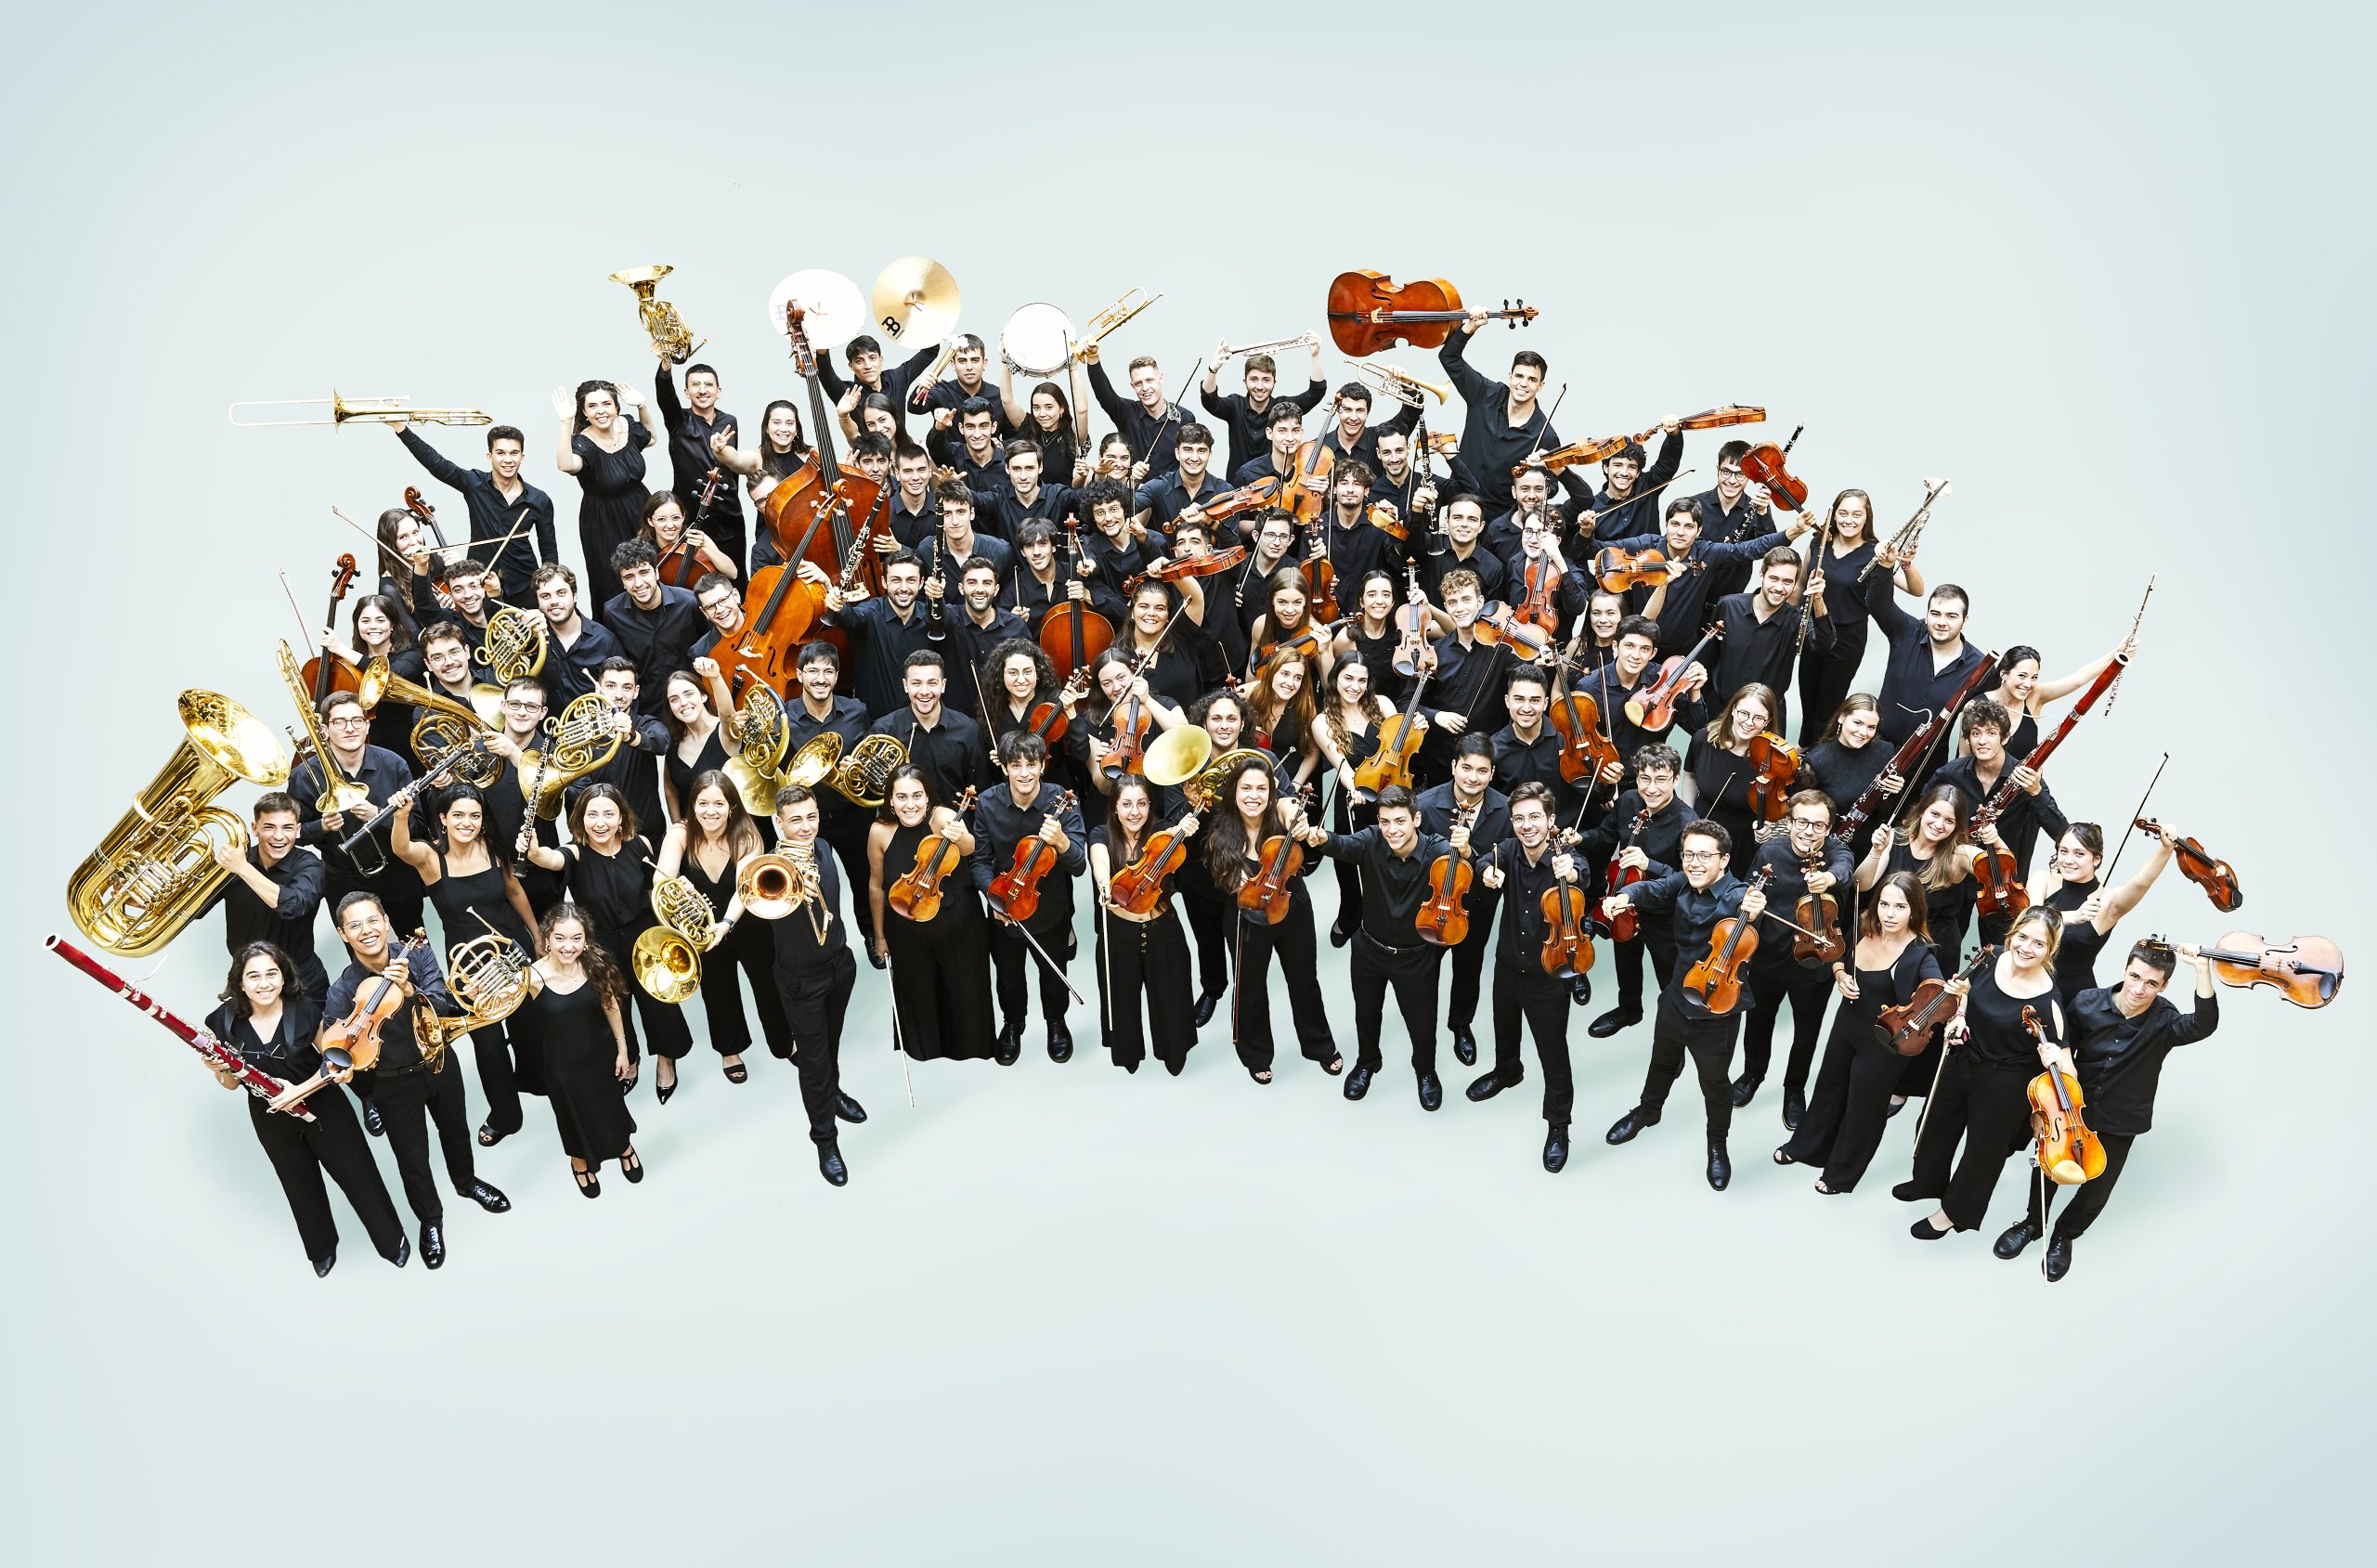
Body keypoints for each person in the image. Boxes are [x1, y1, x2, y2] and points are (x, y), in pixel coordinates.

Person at [1994, 940, 2221, 1281]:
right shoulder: (2087, 1003)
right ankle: (2032, 1224)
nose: (2139, 989)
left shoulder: (2165, 1019)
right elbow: (2059, 1041)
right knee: (2048, 1168)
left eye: (2151, 984)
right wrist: (2050, 1073)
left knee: (2096, 1191)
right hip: (2073, 1108)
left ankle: (2064, 1236)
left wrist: (2203, 970)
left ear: (2164, 986)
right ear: (2125, 970)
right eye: (2135, 977)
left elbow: (2204, 1025)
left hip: (2122, 1118)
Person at [323, 893, 510, 1271]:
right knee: (412, 1161)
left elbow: (444, 1003)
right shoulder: (343, 989)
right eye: (355, 925)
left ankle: (466, 1181)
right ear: (343, 934)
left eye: (372, 920)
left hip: (438, 1062)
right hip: (392, 1083)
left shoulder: (417, 954)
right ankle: (431, 1220)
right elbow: (334, 1042)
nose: (367, 930)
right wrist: (339, 1065)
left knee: (456, 1131)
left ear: (386, 919)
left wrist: (410, 991)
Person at [202, 942, 407, 1275]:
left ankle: (391, 1239)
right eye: (253, 976)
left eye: (272, 973)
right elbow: (231, 1083)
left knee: (360, 1176)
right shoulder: (221, 1022)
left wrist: (299, 1091)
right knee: (298, 1184)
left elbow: (337, 1065)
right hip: (270, 1118)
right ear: (240, 983)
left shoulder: (309, 1011)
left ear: (284, 977)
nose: (264, 983)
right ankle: (321, 1249)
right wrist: (217, 1069)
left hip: (326, 1109)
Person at [1598, 819, 1770, 1191]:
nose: (1694, 862)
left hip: (1717, 1012)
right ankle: (1648, 1111)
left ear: (1723, 860)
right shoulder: (1683, 882)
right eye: (1688, 854)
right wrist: (1624, 898)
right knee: (1661, 1061)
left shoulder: (1740, 896)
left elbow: (1760, 929)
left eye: (1704, 856)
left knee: (1714, 1083)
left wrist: (1755, 910)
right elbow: (1652, 888)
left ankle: (1717, 1144)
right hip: (1676, 999)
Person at [388, 781, 543, 1148]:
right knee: (489, 1048)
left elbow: (514, 891)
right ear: (443, 818)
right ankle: (507, 1115)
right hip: (469, 968)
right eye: (458, 815)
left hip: (512, 954)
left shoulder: (492, 848)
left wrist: (536, 935)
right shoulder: (430, 857)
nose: (467, 822)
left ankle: (537, 1082)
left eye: (474, 816)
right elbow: (401, 849)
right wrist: (401, 815)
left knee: (529, 1028)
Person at [1901, 905, 2069, 1242]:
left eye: (2038, 944)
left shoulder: (2049, 1000)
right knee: (1933, 1123)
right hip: (1963, 1057)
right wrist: (1958, 1015)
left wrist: (2057, 1061)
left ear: (2050, 950)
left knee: (1983, 1152)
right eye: (2022, 937)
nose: (2026, 948)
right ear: (2012, 934)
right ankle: (1928, 1182)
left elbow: (2063, 1059)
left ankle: (1952, 1213)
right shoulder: (1990, 958)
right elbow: (1963, 998)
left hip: (2005, 1082)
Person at [1773, 871, 1947, 1193]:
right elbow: (1840, 954)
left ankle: (1840, 1174)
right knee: (1827, 1089)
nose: (1889, 914)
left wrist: (1951, 993)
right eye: (1884, 904)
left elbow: (1934, 988)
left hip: (1883, 1043)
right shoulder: (1866, 924)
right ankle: (1806, 1147)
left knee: (1863, 1108)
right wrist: (1839, 974)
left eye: (1900, 907)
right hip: (1846, 1026)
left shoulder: (1921, 953)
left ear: (1914, 911)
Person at [518, 782, 695, 1095]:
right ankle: (631, 1057)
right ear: (580, 819)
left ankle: (667, 1059)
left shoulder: (640, 844)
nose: (600, 822)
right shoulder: (574, 853)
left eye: (608, 814)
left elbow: (655, 893)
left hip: (647, 937)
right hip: (602, 944)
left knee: (659, 1002)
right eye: (592, 814)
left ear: (622, 817)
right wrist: (533, 851)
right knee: (615, 1005)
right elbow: (549, 859)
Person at [1297, 785, 1459, 1108]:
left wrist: (1466, 851)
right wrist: (1319, 838)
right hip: (1369, 950)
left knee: (1422, 1023)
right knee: (1366, 1014)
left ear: (1417, 819)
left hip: (1416, 957)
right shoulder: (1372, 839)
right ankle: (1368, 1062)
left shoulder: (1438, 851)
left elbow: (1470, 864)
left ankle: (1425, 1071)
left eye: (1400, 821)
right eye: (1385, 822)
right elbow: (1342, 844)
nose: (1392, 830)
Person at [1468, 783, 1586, 1172]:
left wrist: (1572, 872)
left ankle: (1559, 1125)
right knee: (1504, 1028)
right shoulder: (1506, 851)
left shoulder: (1566, 860)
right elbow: (1481, 860)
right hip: (1506, 965)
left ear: (1551, 820)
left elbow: (1582, 873)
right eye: (1519, 818)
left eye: (1535, 816)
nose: (1526, 825)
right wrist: (1485, 871)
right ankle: (1508, 1071)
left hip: (1548, 974)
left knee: (1553, 1053)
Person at [1206, 757, 1340, 1083]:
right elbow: (1218, 873)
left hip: (1292, 908)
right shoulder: (1222, 833)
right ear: (1234, 791)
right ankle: (1255, 1053)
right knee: (1250, 987)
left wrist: (1299, 817)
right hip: (1247, 916)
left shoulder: (1281, 815)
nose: (1254, 795)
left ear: (1271, 792)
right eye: (1246, 788)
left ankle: (1319, 1046)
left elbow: (1291, 808)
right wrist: (1230, 874)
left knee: (1304, 979)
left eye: (1261, 788)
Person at [656, 771, 791, 1079]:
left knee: (768, 984)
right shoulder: (679, 833)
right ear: (693, 805)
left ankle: (783, 1042)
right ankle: (730, 1050)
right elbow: (660, 879)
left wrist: (727, 923)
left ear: (732, 807)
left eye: (718, 803)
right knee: (717, 991)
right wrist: (675, 886)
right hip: (702, 929)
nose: (710, 811)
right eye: (702, 803)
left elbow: (745, 887)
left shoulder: (747, 835)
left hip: (746, 921)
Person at [764, 787, 867, 1185]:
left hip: (839, 966)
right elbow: (760, 904)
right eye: (795, 820)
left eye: (811, 817)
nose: (806, 827)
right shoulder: (768, 867)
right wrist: (792, 890)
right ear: (778, 822)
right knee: (812, 1061)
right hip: (801, 981)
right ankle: (825, 1139)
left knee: (831, 1045)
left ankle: (834, 1092)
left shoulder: (823, 847)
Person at [1734, 788, 1854, 1127]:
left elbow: (1845, 870)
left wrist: (1827, 878)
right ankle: (1752, 1075)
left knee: (1807, 1031)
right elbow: (1749, 888)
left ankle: (1794, 1089)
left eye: (1818, 825)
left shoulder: (1836, 852)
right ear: (1790, 822)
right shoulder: (1770, 852)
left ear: (1829, 829)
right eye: (1801, 822)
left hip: (1815, 961)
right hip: (1769, 958)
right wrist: (1750, 902)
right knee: (1759, 1022)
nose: (1808, 832)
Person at [865, 764, 996, 1063]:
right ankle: (927, 1049)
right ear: (890, 801)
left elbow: (968, 848)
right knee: (917, 989)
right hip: (907, 927)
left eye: (916, 796)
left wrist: (959, 833)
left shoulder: (942, 818)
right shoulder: (879, 832)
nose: (910, 804)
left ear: (928, 798)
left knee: (966, 986)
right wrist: (880, 937)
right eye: (901, 797)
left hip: (957, 921)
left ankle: (972, 1047)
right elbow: (876, 886)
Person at [972, 732, 1086, 1063]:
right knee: (1008, 976)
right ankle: (1013, 1023)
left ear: (1042, 765)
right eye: (1016, 765)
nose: (1024, 773)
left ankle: (1056, 1022)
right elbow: (979, 861)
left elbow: (1078, 865)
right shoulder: (988, 803)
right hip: (1003, 910)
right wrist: (996, 897)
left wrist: (1062, 841)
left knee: (1054, 975)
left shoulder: (1061, 801)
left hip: (1049, 909)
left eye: (1031, 764)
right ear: (1005, 768)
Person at [521, 902, 641, 1198]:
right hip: (563, 1068)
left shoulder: (595, 964)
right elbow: (496, 1006)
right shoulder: (531, 977)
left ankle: (624, 1148)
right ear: (547, 938)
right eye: (560, 938)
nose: (568, 946)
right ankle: (580, 1162)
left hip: (601, 1058)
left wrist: (623, 1051)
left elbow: (611, 1006)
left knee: (612, 1108)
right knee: (571, 1117)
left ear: (586, 939)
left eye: (576, 938)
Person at [290, 687, 422, 941]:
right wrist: (322, 826)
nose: (349, 728)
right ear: (325, 730)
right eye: (339, 722)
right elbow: (293, 834)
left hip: (397, 874)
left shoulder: (393, 764)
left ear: (367, 726)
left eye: (356, 720)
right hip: (343, 879)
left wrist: (380, 814)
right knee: (362, 956)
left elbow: (417, 826)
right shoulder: (304, 776)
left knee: (415, 945)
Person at [1089, 776, 1201, 1075]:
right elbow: (1099, 861)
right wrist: (1104, 885)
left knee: (1171, 994)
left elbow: (1174, 833)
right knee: (1121, 997)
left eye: (1141, 803)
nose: (1134, 812)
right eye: (1126, 804)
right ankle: (1129, 1054)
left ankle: (1174, 1052)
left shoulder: (1162, 832)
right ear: (1115, 808)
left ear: (1150, 806)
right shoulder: (1101, 835)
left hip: (1162, 927)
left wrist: (1184, 828)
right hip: (1119, 932)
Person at [1582, 742, 1695, 1038]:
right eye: (1645, 779)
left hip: (1664, 913)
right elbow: (1604, 835)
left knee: (1669, 978)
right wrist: (1578, 839)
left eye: (1661, 780)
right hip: (1625, 903)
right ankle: (1629, 1009)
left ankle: (1675, 1033)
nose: (1652, 789)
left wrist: (1650, 864)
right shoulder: (1630, 801)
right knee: (1626, 961)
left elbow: (1689, 878)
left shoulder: (1688, 823)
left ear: (1675, 779)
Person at [1416, 734, 1511, 1069]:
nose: (1473, 777)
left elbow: (1507, 859)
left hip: (1476, 907)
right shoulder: (1425, 806)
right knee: (1425, 972)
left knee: (1468, 970)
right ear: (1454, 766)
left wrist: (1479, 860)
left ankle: (1460, 1024)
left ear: (1492, 772)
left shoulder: (1505, 810)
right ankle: (1423, 1034)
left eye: (1482, 771)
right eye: (1466, 768)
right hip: (1431, 906)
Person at [392, 420, 555, 602]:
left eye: (514, 453)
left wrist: (549, 590)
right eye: (500, 453)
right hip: (479, 582)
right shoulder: (474, 484)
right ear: (489, 456)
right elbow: (437, 464)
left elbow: (549, 554)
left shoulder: (539, 500)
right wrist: (401, 429)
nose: (508, 459)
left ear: (522, 457)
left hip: (524, 584)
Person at [2028, 822, 2176, 1005]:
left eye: (2079, 854)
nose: (2068, 860)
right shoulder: (2042, 879)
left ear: (2096, 859)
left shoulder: (2107, 902)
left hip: (2074, 1000)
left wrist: (2166, 849)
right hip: (2027, 984)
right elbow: (2031, 921)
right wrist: (2072, 917)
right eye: (2063, 851)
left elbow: (2140, 882)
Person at [203, 792, 329, 1008]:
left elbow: (293, 906)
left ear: (298, 830)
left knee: (321, 1041)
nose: (278, 836)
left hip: (302, 980)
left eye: (287, 828)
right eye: (269, 827)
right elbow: (196, 908)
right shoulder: (235, 863)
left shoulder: (310, 866)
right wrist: (131, 899)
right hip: (249, 982)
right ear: (255, 828)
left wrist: (242, 868)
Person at [552, 379, 657, 617]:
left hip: (641, 511)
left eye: (606, 404)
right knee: (612, 582)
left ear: (616, 406)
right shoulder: (583, 442)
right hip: (603, 521)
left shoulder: (626, 425)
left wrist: (642, 406)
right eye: (592, 406)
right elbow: (565, 464)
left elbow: (651, 438)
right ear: (584, 412)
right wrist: (565, 422)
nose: (601, 411)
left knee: (651, 572)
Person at [1860, 555, 1990, 745]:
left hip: (1927, 765)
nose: (1941, 622)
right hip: (1874, 748)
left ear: (1965, 621)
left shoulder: (1980, 667)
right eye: (1935, 614)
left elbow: (1994, 715)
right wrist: (1886, 565)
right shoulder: (1907, 631)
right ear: (1927, 614)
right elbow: (1878, 603)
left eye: (1951, 616)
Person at [1437, 318, 1557, 515]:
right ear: (1510, 376)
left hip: (1500, 523)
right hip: (1461, 509)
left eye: (1532, 379)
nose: (1523, 384)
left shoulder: (1545, 435)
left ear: (1541, 386)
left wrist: (1533, 480)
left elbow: (1551, 485)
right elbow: (1449, 357)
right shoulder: (1485, 394)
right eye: (1519, 376)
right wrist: (1471, 326)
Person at [1707, 546, 1833, 706]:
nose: (1779, 588)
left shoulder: (1796, 620)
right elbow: (1709, 657)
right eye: (1774, 579)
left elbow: (1824, 645)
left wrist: (1818, 600)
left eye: (1787, 582)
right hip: (1721, 708)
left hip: (1768, 716)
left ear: (1795, 584)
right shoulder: (1728, 606)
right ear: (1762, 575)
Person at [651, 361, 745, 571]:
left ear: (718, 391)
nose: (702, 390)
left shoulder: (730, 421)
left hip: (729, 515)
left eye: (708, 385)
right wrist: (665, 366)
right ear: (686, 392)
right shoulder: (679, 421)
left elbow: (734, 467)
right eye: (696, 385)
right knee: (694, 579)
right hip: (692, 518)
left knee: (735, 576)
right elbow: (665, 397)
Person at [1686, 681, 1785, 878]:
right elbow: (1690, 775)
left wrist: (1768, 827)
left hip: (1740, 844)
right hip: (1701, 832)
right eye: (1744, 713)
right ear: (1733, 710)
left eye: (1758, 718)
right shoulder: (1703, 739)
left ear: (1767, 722)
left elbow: (1775, 805)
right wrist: (1687, 817)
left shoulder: (1773, 759)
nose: (1749, 722)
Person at [825, 550, 939, 718]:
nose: (904, 588)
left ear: (921, 583)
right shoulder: (871, 613)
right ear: (884, 582)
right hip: (874, 728)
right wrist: (838, 605)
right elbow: (853, 618)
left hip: (922, 725)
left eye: (911, 580)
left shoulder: (932, 619)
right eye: (896, 580)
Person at [1201, 336, 1328, 475]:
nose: (1260, 386)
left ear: (1274, 382)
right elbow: (1209, 400)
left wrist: (1315, 355)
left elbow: (1316, 392)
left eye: (1266, 380)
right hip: (1238, 487)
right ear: (1245, 381)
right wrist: (1213, 369)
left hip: (1274, 489)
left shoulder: (1283, 408)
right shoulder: (1235, 405)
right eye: (1254, 380)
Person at [604, 538, 709, 706]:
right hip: (648, 708)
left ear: (657, 573)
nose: (638, 583)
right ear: (623, 583)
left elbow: (709, 648)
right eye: (629, 577)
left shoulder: (689, 603)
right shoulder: (613, 613)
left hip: (691, 703)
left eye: (644, 572)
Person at [528, 563, 623, 706]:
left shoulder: (605, 641)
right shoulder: (531, 638)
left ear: (574, 596)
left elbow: (623, 693)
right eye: (545, 596)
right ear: (538, 603)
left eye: (561, 593)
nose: (554, 602)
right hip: (545, 727)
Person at [1085, 346, 1186, 481]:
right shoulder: (1127, 412)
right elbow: (1105, 394)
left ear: (1161, 378)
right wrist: (1093, 358)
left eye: (1150, 380)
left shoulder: (1184, 417)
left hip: (1171, 496)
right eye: (1138, 383)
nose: (1145, 388)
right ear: (1132, 386)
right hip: (1133, 495)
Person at [657, 669, 727, 823]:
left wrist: (715, 676)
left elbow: (728, 715)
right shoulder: (673, 742)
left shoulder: (724, 730)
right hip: (694, 836)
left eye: (689, 694)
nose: (683, 702)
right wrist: (678, 827)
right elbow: (670, 789)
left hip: (733, 831)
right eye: (674, 699)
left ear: (703, 696)